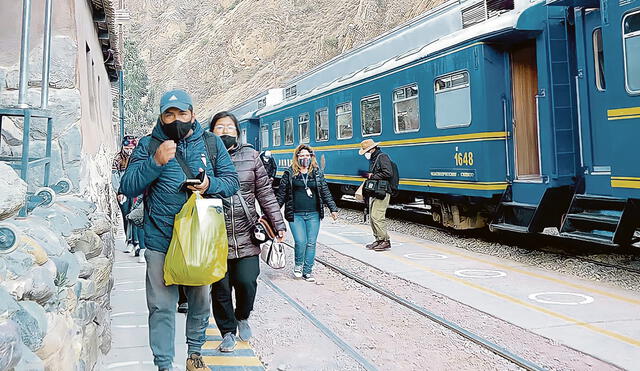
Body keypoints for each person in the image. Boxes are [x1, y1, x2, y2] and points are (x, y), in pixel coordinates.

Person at [119, 89, 240, 371]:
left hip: (199, 240)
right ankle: (163, 364)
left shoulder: (211, 144)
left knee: (199, 300)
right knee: (161, 307)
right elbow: (127, 186)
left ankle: (195, 354)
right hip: (161, 240)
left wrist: (210, 185)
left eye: (182, 114)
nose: (176, 120)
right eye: (169, 114)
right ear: (161, 116)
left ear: (193, 115)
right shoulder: (149, 145)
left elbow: (231, 182)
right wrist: (156, 162)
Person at [209, 111, 286, 352]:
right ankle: (228, 332)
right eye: (219, 127)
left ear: (238, 132)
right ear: (211, 132)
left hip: (246, 233)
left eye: (229, 127)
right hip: (213, 235)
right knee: (220, 288)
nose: (224, 131)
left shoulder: (251, 157)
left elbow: (265, 194)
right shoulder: (203, 157)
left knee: (247, 281)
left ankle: (242, 315)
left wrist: (278, 224)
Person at [277, 144, 338, 282]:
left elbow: (325, 191)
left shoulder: (316, 172)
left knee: (311, 243)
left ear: (311, 157)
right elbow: (281, 195)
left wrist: (333, 208)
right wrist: (272, 214)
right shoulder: (289, 173)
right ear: (297, 157)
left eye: (307, 155)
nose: (304, 158)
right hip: (295, 214)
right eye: (301, 155)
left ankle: (308, 271)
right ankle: (298, 266)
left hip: (313, 214)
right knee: (300, 241)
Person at [359, 139, 393, 251]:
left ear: (372, 149)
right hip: (375, 191)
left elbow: (388, 173)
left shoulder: (382, 157)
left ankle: (385, 240)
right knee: (373, 217)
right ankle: (378, 239)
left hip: (382, 191)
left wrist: (371, 176)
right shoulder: (374, 159)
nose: (366, 154)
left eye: (367, 151)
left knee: (377, 216)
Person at [112, 136, 138, 253]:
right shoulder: (118, 159)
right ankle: (129, 241)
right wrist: (119, 191)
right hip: (124, 191)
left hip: (137, 190)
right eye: (126, 148)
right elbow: (115, 176)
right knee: (126, 216)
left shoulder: (139, 157)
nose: (129, 151)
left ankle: (137, 242)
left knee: (136, 216)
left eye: (131, 148)